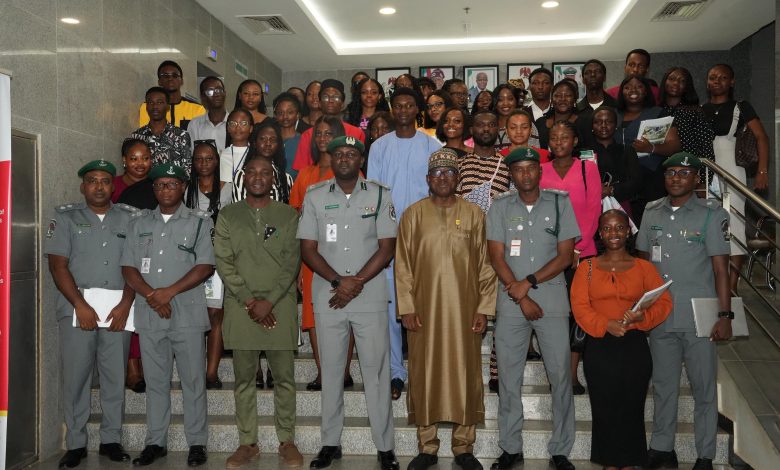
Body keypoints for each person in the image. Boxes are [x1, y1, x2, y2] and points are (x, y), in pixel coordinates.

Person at [298, 135, 400, 470]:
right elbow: (308, 249)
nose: (344, 158)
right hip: (329, 296)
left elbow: (387, 248)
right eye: (338, 153)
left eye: (351, 154)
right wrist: (338, 281)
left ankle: (385, 447)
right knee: (330, 372)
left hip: (369, 295)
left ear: (361, 160)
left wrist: (355, 282)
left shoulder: (380, 194)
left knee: (376, 373)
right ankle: (330, 443)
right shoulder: (314, 196)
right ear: (331, 158)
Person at [396, 148, 497, 470]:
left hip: (465, 312)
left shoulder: (474, 214)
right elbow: (403, 266)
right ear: (428, 179)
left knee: (466, 374)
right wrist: (406, 307)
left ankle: (463, 446)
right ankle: (427, 447)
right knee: (424, 374)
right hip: (423, 313)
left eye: (450, 173)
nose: (443, 178)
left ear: (458, 178)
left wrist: (484, 308)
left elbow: (486, 265)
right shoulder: (413, 215)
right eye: (437, 173)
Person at [636, 153, 732, 470]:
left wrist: (725, 316)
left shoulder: (711, 215)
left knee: (703, 389)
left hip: (698, 317)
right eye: (670, 173)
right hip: (661, 316)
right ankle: (662, 448)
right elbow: (643, 265)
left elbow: (721, 270)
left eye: (684, 173)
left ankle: (705, 455)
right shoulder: (651, 211)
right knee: (664, 387)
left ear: (696, 179)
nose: (676, 178)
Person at [487, 147, 579, 470]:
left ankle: (561, 450)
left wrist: (528, 283)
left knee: (560, 377)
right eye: (518, 169)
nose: (525, 174)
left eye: (531, 168)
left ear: (540, 172)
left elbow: (565, 257)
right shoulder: (500, 207)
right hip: (512, 302)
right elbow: (496, 256)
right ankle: (511, 448)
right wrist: (521, 295)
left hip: (551, 301)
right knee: (508, 378)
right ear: (511, 175)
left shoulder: (560, 203)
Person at [120, 164, 214, 467]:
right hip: (150, 315)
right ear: (154, 188)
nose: (165, 190)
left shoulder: (199, 222)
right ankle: (155, 442)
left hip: (186, 314)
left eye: (172, 184)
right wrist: (152, 295)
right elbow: (128, 267)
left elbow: (205, 266)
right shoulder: (138, 223)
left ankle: (197, 442)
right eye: (160, 184)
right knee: (156, 382)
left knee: (193, 381)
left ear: (183, 187)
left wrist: (168, 292)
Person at [45, 160, 137, 469]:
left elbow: (135, 266)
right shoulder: (66, 218)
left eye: (105, 181)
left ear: (113, 186)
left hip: (117, 309)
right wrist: (79, 305)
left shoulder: (129, 218)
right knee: (76, 377)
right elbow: (57, 266)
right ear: (83, 186)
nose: (99, 186)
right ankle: (76, 444)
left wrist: (126, 304)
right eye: (93, 180)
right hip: (77, 308)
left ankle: (111, 439)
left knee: (114, 376)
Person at [214, 156, 304, 468]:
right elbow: (224, 261)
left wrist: (269, 301)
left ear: (273, 179)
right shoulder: (228, 215)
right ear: (243, 178)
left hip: (280, 305)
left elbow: (292, 262)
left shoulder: (288, 215)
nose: (257, 177)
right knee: (243, 380)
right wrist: (251, 301)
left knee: (285, 379)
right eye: (251, 172)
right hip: (242, 307)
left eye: (265, 172)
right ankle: (247, 443)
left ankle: (287, 440)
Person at [570, 209, 673, 469]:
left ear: (628, 231)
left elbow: (664, 302)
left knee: (631, 410)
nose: (613, 233)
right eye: (607, 228)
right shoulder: (586, 268)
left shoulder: (644, 267)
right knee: (604, 409)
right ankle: (608, 464)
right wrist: (606, 324)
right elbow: (580, 307)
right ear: (600, 234)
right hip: (599, 347)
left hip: (634, 346)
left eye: (619, 227)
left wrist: (642, 318)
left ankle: (629, 464)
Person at [368, 87, 442, 401]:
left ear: (417, 110)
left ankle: (425, 371)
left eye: (409, 105)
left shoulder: (432, 145)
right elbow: (373, 194)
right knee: (391, 310)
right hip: (388, 239)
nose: (403, 110)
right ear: (392, 109)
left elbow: (440, 192)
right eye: (397, 105)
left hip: (425, 238)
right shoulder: (379, 146)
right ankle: (396, 373)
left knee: (424, 306)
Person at [289, 116, 356, 391]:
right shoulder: (305, 174)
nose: (322, 138)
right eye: (318, 133)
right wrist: (297, 267)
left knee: (345, 312)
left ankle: (344, 372)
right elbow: (296, 219)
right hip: (311, 257)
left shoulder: (351, 173)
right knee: (313, 315)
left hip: (344, 254)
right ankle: (323, 372)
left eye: (328, 133)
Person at [540, 120, 602, 394]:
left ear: (575, 141)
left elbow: (593, 210)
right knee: (553, 314)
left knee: (578, 314)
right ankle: (555, 374)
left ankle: (572, 374)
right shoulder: (541, 171)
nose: (559, 142)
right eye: (554, 138)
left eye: (565, 137)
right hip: (548, 255)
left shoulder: (588, 169)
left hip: (581, 253)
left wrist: (578, 247)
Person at [702, 63, 770, 293]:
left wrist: (762, 171)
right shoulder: (701, 109)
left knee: (734, 226)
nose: (717, 81)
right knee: (709, 225)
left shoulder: (741, 107)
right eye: (712, 77)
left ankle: (731, 287)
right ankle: (714, 283)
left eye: (723, 77)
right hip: (706, 173)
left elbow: (761, 137)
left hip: (732, 170)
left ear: (732, 82)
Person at [184, 140, 233, 389]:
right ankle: (193, 371)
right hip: (191, 262)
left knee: (215, 314)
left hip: (219, 260)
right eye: (199, 159)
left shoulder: (228, 189)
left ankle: (211, 372)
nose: (204, 163)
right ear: (193, 163)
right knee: (194, 316)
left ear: (217, 161)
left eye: (209, 158)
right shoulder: (186, 190)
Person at [615, 75, 681, 224]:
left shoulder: (658, 113)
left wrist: (651, 147)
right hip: (622, 179)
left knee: (653, 223)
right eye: (627, 87)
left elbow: (675, 145)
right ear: (621, 92)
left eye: (639, 86)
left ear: (646, 91)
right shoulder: (612, 114)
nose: (633, 90)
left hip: (651, 179)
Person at [292, 78, 366, 172]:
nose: (330, 101)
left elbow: (357, 165)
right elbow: (302, 171)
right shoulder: (308, 135)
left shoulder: (356, 133)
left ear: (342, 104)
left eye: (336, 97)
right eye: (325, 97)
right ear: (319, 103)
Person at [586, 106, 641, 217]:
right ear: (592, 126)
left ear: (616, 125)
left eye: (609, 122)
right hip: (590, 206)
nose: (603, 126)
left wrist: (611, 190)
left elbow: (636, 182)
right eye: (598, 122)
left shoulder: (627, 150)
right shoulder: (583, 153)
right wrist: (596, 191)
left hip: (621, 205)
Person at [129, 87, 192, 175]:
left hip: (172, 184)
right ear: (146, 106)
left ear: (167, 106)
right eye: (151, 102)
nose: (155, 107)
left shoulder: (181, 135)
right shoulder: (136, 136)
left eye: (160, 102)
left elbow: (187, 171)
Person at [138, 60, 205, 129]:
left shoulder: (197, 108)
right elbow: (145, 132)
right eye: (165, 76)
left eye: (175, 75)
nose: (170, 78)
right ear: (159, 81)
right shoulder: (148, 106)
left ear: (181, 81)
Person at [535, 80, 589, 151]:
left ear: (575, 99)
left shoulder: (585, 123)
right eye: (557, 96)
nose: (563, 99)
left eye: (568, 95)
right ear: (551, 99)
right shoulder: (540, 123)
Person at [187, 76, 228, 153]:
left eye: (219, 90)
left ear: (225, 93)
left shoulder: (234, 123)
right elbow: (192, 154)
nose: (216, 94)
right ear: (203, 97)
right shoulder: (195, 125)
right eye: (210, 91)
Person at [220, 109, 254, 202]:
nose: (238, 128)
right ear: (228, 128)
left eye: (243, 123)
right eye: (233, 124)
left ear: (251, 128)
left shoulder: (256, 155)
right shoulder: (220, 155)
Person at [273, 92, 304, 180]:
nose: (285, 116)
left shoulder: (304, 141)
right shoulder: (270, 140)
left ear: (298, 115)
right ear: (275, 115)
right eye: (280, 113)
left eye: (290, 112)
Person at [113, 138, 153, 203]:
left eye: (145, 158)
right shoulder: (113, 185)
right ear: (124, 160)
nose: (140, 163)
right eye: (134, 159)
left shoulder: (157, 186)